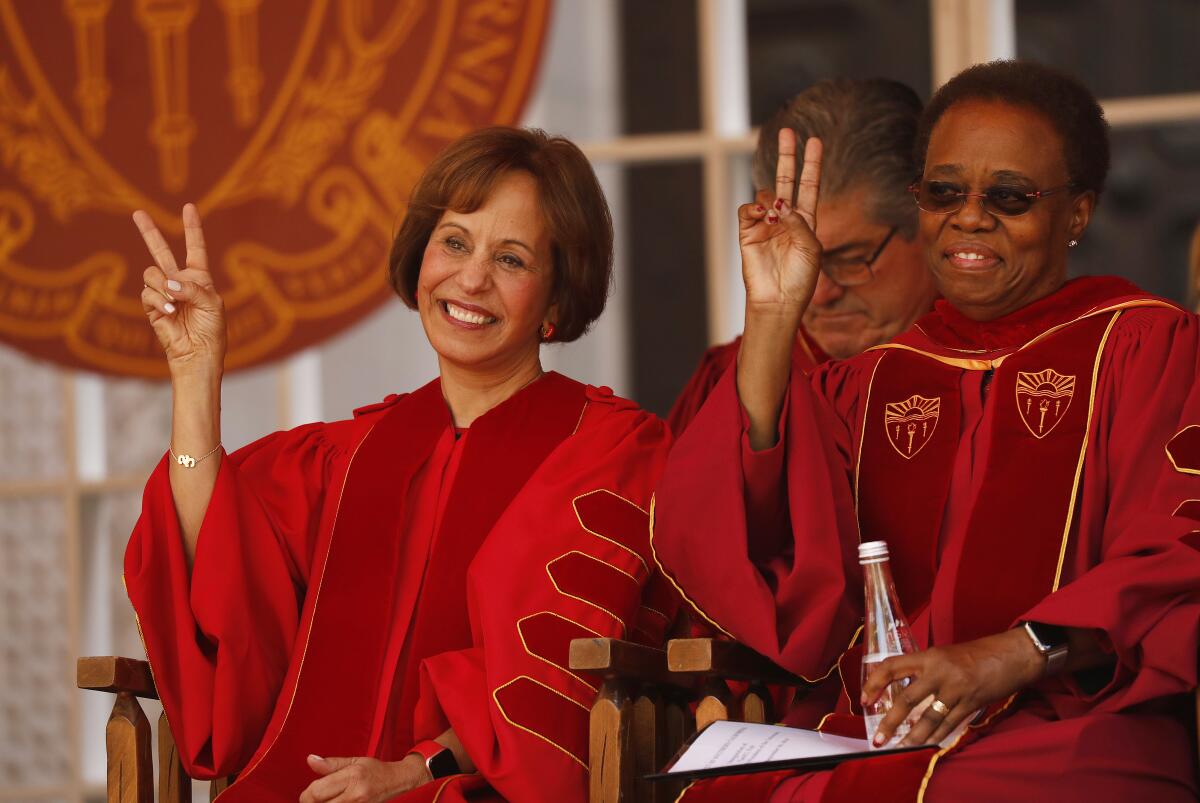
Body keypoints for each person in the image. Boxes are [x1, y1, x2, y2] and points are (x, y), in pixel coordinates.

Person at [652, 61, 1200, 801]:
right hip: (884, 734)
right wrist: (775, 315)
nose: (970, 217)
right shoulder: (868, 380)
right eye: (945, 192)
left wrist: (1012, 654)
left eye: (1010, 195)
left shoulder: (1143, 347)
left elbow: (1177, 554)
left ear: (1077, 214)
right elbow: (761, 544)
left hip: (1066, 730)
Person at [125, 127, 678, 803]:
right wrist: (194, 374)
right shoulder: (346, 457)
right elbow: (214, 549)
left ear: (557, 303)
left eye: (511, 259)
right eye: (454, 242)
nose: (471, 278)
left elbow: (558, 675)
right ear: (421, 257)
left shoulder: (606, 450)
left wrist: (419, 769)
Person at [667, 79, 937, 435]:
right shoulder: (727, 384)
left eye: (850, 259)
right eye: (794, 258)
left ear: (928, 225)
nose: (820, 293)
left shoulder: (992, 371)